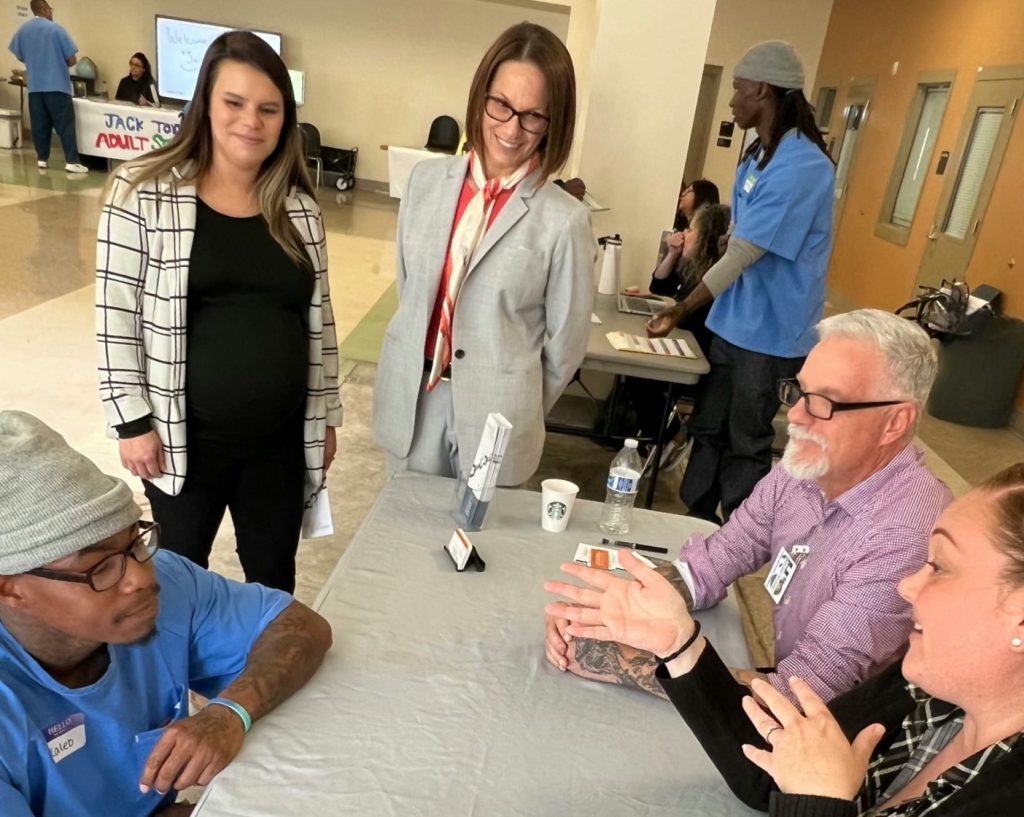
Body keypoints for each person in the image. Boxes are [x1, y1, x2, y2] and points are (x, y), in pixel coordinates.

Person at [545, 463, 1024, 816]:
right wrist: (679, 645)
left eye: (938, 566)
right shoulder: (928, 692)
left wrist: (818, 805)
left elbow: (806, 701)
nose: (909, 585)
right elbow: (769, 770)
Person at [546, 310, 953, 703]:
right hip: (782, 675)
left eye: (824, 402)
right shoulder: (806, 469)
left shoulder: (907, 536)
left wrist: (616, 659)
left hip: (841, 735)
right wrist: (607, 612)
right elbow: (722, 555)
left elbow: (803, 694)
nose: (794, 416)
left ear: (894, 423)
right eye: (799, 390)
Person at [96, 31, 342, 593]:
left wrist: (327, 416)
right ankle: (175, 684)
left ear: (285, 119)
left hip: (278, 446)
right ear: (205, 102)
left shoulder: (299, 209)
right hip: (184, 443)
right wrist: (131, 422)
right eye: (234, 103)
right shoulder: (143, 191)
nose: (250, 121)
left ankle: (265, 678)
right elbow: (115, 315)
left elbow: (321, 322)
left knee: (274, 585)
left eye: (268, 108)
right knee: (177, 586)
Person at [0, 411, 333, 817]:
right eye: (100, 567)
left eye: (135, 543)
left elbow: (300, 627)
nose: (140, 577)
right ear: (10, 590)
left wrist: (230, 712)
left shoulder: (166, 583)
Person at [373, 22, 596, 486]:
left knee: (479, 551)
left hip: (499, 416)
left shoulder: (565, 221)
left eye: (534, 115)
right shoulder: (426, 183)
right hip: (415, 399)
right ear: (481, 97)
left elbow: (565, 349)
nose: (512, 129)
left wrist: (514, 396)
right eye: (502, 106)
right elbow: (411, 290)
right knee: (403, 543)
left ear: (555, 122)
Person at [648, 40, 835, 524]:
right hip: (736, 321)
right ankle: (691, 519)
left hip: (771, 330)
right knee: (708, 426)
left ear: (765, 90)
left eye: (738, 90)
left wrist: (681, 308)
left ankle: (738, 530)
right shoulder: (758, 154)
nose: (732, 101)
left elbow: (747, 252)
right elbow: (738, 235)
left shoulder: (803, 166)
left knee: (746, 438)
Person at [624, 203, 731, 461]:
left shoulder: (710, 279)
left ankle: (672, 436)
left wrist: (668, 305)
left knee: (639, 373)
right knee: (635, 371)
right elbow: (660, 286)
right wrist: (673, 254)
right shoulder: (692, 268)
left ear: (706, 238)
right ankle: (661, 436)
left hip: (695, 357)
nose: (684, 233)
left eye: (691, 229)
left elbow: (686, 319)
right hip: (681, 345)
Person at [8, 0, 88, 173]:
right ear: (44, 9)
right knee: (64, 124)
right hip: (57, 85)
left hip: (35, 87)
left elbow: (19, 55)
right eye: (50, 9)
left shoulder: (23, 30)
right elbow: (72, 59)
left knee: (39, 124)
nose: (51, 13)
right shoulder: (56, 29)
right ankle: (71, 161)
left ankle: (42, 159)